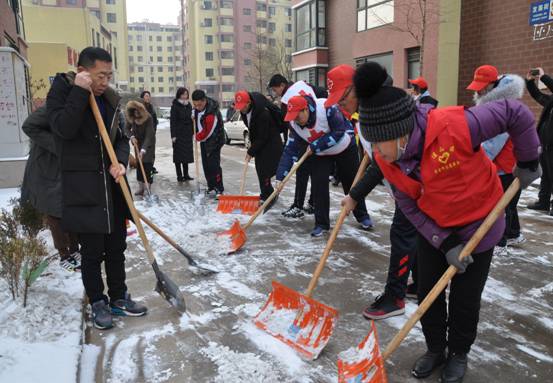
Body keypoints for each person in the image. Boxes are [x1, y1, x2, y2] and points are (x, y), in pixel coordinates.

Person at [354, 64, 540, 382]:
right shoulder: (389, 161)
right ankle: (436, 349)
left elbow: (515, 113)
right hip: (436, 228)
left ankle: (458, 353)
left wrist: (527, 160)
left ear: (400, 132)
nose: (378, 154)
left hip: (479, 222)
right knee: (429, 292)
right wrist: (444, 240)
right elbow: (410, 208)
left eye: (380, 145)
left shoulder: (455, 125)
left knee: (465, 299)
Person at [47, 47, 147, 330]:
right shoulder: (63, 92)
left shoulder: (110, 99)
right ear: (82, 70)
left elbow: (121, 137)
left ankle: (118, 297)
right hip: (85, 188)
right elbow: (63, 129)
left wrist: (119, 161)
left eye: (109, 75)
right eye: (100, 75)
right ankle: (98, 302)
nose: (105, 82)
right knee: (92, 252)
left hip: (113, 185)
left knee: (117, 247)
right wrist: (79, 92)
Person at [328, 63, 417, 321]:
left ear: (356, 90)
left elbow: (383, 162)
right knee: (414, 235)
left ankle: (395, 297)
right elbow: (379, 159)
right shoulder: (364, 111)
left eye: (342, 99)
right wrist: (355, 194)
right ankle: (419, 283)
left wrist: (356, 194)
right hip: (404, 184)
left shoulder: (383, 109)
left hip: (412, 184)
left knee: (402, 234)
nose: (340, 106)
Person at [276, 94, 373, 237]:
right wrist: (280, 177)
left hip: (344, 146)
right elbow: (289, 150)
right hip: (321, 153)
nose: (296, 120)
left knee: (351, 181)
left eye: (297, 116)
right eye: (292, 117)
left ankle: (362, 215)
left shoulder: (326, 107)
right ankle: (321, 224)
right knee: (318, 184)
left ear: (305, 110)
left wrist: (316, 144)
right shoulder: (294, 125)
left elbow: (339, 131)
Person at [468, 65, 526, 254]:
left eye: (481, 86)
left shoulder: (503, 109)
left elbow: (492, 144)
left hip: (505, 165)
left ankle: (500, 242)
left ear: (493, 85)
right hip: (505, 165)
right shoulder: (496, 104)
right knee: (509, 203)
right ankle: (514, 233)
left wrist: (474, 162)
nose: (478, 90)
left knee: (501, 205)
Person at [21, 106, 81, 272]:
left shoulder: (77, 108)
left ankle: (75, 249)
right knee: (54, 211)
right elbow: (28, 125)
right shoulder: (53, 107)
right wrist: (57, 145)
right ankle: (64, 254)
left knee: (69, 207)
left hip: (63, 166)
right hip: (45, 168)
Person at [268, 74, 324, 219]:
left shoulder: (287, 100)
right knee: (314, 172)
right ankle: (312, 203)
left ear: (281, 85)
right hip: (316, 133)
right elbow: (322, 93)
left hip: (304, 138)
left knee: (302, 172)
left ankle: (298, 206)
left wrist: (291, 140)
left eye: (275, 89)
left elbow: (290, 124)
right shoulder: (304, 85)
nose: (276, 93)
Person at [234, 90, 284, 207]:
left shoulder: (263, 114)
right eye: (239, 107)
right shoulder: (244, 111)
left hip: (271, 144)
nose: (241, 109)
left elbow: (263, 136)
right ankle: (266, 193)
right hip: (261, 143)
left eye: (243, 106)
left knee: (264, 170)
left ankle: (269, 196)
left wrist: (251, 151)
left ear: (249, 102)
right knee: (260, 169)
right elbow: (253, 130)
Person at [526, 67, 553, 215]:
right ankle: (543, 202)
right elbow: (538, 95)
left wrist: (543, 77)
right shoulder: (551, 101)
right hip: (546, 145)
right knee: (546, 175)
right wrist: (530, 82)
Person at [191, 89, 225, 196]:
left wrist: (197, 137)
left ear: (204, 100)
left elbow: (208, 132)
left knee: (214, 166)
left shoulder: (212, 113)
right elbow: (198, 122)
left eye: (199, 105)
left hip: (214, 141)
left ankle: (219, 188)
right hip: (204, 141)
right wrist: (194, 114)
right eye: (195, 105)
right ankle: (211, 186)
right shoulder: (198, 109)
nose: (197, 107)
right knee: (206, 165)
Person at [125, 100, 156, 196]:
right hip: (137, 143)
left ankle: (148, 186)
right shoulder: (131, 117)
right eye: (134, 111)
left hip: (148, 143)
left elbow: (149, 135)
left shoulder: (148, 118)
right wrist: (132, 137)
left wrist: (143, 150)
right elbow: (126, 129)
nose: (136, 113)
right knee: (139, 165)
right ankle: (141, 188)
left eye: (138, 111)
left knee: (148, 165)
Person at [170, 87, 194, 182]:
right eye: (183, 94)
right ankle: (179, 176)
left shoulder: (189, 105)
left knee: (186, 155)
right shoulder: (175, 106)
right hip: (178, 134)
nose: (185, 96)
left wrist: (192, 132)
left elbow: (192, 120)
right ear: (179, 95)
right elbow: (173, 121)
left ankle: (186, 174)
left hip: (187, 133)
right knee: (178, 156)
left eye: (186, 94)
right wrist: (173, 135)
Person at [140, 91, 158, 174]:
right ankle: (142, 169)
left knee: (151, 152)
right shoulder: (140, 108)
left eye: (149, 96)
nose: (148, 97)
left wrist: (154, 130)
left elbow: (155, 120)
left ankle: (150, 167)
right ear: (142, 97)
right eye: (146, 96)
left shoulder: (151, 107)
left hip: (151, 134)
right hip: (142, 134)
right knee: (143, 151)